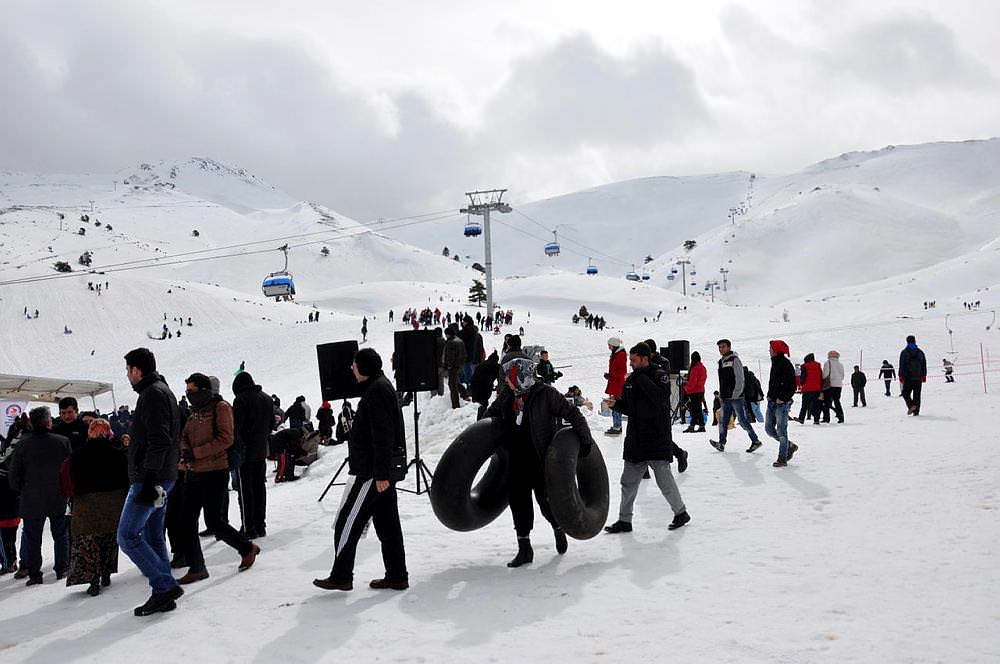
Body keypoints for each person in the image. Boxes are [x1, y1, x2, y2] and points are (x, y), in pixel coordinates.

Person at [484, 356, 594, 567]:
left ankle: (558, 528)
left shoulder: (546, 395)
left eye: (509, 377)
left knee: (545, 501)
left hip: (540, 459)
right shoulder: (508, 395)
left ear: (520, 376)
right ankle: (524, 548)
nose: (505, 381)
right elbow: (490, 417)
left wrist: (585, 440)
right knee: (518, 503)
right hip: (515, 459)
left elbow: (573, 414)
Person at [314, 348, 408, 591]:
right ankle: (397, 576)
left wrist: (381, 475)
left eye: (354, 366)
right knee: (388, 526)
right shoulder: (378, 386)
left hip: (372, 473)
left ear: (364, 369)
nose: (351, 369)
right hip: (378, 471)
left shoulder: (376, 392)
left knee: (348, 521)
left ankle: (341, 575)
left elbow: (382, 437)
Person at [117, 347, 184, 617]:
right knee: (154, 534)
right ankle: (162, 592)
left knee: (128, 535)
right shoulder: (160, 390)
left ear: (136, 370)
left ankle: (164, 585)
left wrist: (147, 479)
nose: (127, 376)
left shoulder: (152, 394)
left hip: (151, 478)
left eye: (128, 370)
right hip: (161, 475)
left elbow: (160, 439)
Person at [175, 373, 259, 586]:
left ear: (204, 390)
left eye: (192, 390)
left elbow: (226, 438)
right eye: (187, 391)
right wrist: (186, 452)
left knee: (214, 521)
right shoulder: (195, 412)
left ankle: (246, 548)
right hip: (194, 472)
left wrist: (197, 452)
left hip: (215, 471)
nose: (189, 395)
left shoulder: (221, 408)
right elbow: (184, 435)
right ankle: (197, 567)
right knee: (186, 521)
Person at [604, 343, 690, 534]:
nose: (631, 364)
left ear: (644, 358)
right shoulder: (631, 380)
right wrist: (616, 404)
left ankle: (681, 512)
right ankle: (624, 520)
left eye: (634, 360)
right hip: (636, 441)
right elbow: (629, 408)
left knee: (664, 481)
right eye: (630, 360)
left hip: (657, 438)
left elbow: (660, 398)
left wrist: (641, 378)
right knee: (627, 483)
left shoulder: (660, 375)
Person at [65, 418, 129, 596]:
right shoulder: (118, 454)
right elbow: (125, 481)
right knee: (108, 539)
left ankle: (93, 579)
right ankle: (106, 573)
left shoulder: (77, 455)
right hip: (112, 502)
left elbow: (71, 480)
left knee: (88, 541)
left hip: (85, 503)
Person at [8, 406, 70, 586]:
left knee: (32, 538)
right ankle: (63, 569)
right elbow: (68, 471)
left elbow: (13, 474)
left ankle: (35, 574)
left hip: (30, 498)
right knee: (61, 534)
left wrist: (21, 491)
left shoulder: (23, 443)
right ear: (48, 422)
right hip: (58, 496)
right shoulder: (62, 441)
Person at [232, 371, 275, 539]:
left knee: (245, 491)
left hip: (245, 453)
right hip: (261, 450)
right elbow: (272, 423)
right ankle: (260, 524)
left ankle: (248, 527)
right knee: (259, 488)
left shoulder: (241, 400)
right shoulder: (266, 398)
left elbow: (237, 428)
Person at [709, 339, 762, 453]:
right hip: (725, 397)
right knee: (723, 421)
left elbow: (740, 378)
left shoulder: (735, 360)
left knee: (742, 421)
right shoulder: (721, 361)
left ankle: (755, 441)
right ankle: (721, 443)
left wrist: (736, 393)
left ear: (729, 347)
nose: (721, 349)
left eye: (723, 346)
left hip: (736, 398)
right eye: (719, 347)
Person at [763, 341, 799, 468]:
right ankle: (789, 445)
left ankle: (782, 458)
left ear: (776, 350)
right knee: (768, 429)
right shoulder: (775, 363)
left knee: (781, 431)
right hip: (772, 401)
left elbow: (792, 386)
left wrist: (782, 398)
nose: (769, 351)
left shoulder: (785, 364)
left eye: (770, 349)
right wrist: (769, 395)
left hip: (781, 404)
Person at [604, 337, 628, 436]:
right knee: (614, 405)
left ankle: (617, 427)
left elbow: (622, 371)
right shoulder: (617, 354)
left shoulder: (620, 355)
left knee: (616, 406)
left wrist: (611, 376)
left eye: (609, 345)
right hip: (615, 384)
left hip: (618, 385)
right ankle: (616, 425)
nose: (609, 347)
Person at [899, 335, 927, 416]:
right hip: (918, 377)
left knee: (905, 392)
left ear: (907, 342)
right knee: (917, 394)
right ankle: (916, 411)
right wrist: (924, 375)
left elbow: (902, 365)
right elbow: (924, 364)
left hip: (908, 377)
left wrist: (901, 376)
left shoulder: (904, 352)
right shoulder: (920, 352)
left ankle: (911, 405)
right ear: (915, 341)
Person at [470, 350, 500, 419]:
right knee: (483, 404)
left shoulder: (482, 364)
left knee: (480, 404)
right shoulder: (495, 366)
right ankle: (481, 421)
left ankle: (480, 420)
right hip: (484, 387)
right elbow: (500, 378)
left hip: (474, 386)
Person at [794, 353, 824, 425]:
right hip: (817, 389)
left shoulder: (804, 366)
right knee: (816, 405)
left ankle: (801, 418)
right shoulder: (818, 365)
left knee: (804, 405)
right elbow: (821, 377)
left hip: (807, 389)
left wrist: (801, 383)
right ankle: (816, 420)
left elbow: (802, 378)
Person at [682, 351, 707, 433]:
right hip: (701, 390)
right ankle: (701, 426)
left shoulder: (695, 368)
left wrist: (686, 388)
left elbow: (693, 381)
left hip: (694, 392)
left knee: (694, 410)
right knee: (698, 409)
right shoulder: (703, 368)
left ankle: (692, 426)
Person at [443, 324, 468, 409]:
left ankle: (455, 405)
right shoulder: (460, 341)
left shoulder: (450, 342)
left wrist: (449, 366)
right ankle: (464, 395)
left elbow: (450, 356)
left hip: (453, 367)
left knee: (452, 386)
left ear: (447, 334)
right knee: (456, 383)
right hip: (460, 366)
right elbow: (465, 354)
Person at [459, 315, 484, 388]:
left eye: (463, 322)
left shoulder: (468, 331)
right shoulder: (476, 334)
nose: (462, 323)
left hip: (469, 357)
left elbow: (479, 347)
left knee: (468, 375)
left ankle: (469, 389)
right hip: (473, 357)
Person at [821, 350, 846, 424]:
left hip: (830, 385)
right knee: (837, 401)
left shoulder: (827, 363)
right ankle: (841, 417)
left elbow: (825, 374)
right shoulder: (840, 364)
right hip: (838, 385)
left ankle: (826, 418)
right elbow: (842, 376)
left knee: (826, 402)